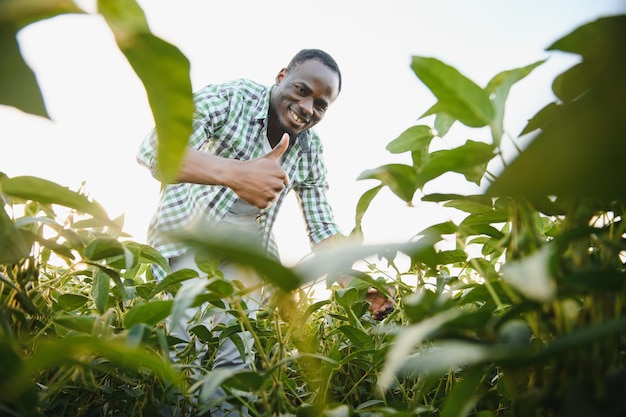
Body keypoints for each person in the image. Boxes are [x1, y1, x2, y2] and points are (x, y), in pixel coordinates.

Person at [137, 48, 393, 415]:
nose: (307, 108)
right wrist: (236, 174)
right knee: (179, 355)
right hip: (189, 240)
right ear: (281, 76)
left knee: (236, 362)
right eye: (302, 90)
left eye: (321, 104)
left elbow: (321, 224)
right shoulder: (231, 98)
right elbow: (154, 148)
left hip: (246, 259)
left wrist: (353, 284)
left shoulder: (309, 150)